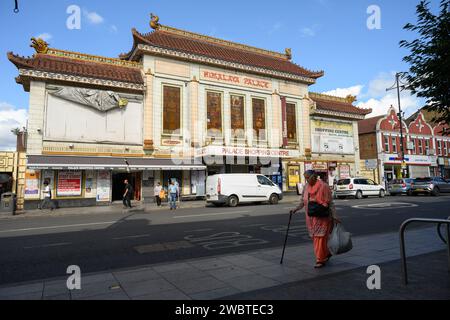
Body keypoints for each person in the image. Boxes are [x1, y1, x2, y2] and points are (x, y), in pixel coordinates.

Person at [290, 170, 338, 269]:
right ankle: (326, 253)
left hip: (322, 217)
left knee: (319, 238)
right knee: (315, 238)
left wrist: (335, 216)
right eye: (305, 178)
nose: (306, 180)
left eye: (308, 177)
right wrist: (295, 209)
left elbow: (331, 203)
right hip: (310, 217)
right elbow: (303, 202)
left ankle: (320, 259)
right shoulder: (306, 187)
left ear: (314, 176)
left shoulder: (324, 186)